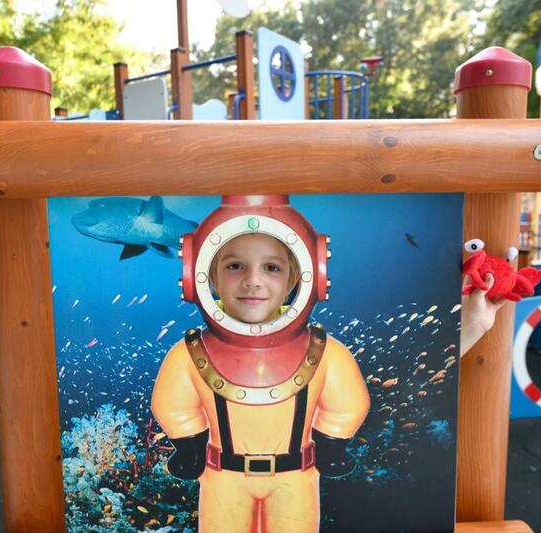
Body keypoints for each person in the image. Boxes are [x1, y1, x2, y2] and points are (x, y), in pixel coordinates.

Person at [151, 195, 504, 533]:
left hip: (295, 480)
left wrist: (331, 443)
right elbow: (172, 404)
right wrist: (190, 444)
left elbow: (349, 404)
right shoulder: (190, 354)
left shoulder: (325, 353)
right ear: (202, 276)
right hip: (222, 479)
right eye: (234, 265)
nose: (252, 280)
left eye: (272, 267)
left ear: (304, 277)